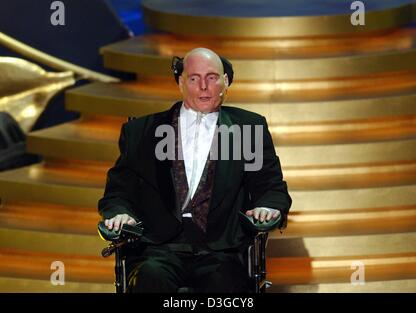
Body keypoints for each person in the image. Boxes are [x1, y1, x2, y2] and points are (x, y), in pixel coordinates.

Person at [98, 47, 292, 293]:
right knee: (150, 280)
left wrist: (269, 207)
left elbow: (270, 187)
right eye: (194, 78)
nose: (203, 86)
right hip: (158, 249)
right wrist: (119, 213)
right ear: (180, 82)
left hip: (222, 250)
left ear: (226, 81)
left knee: (225, 285)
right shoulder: (143, 132)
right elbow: (118, 192)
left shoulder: (248, 129)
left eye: (211, 77)